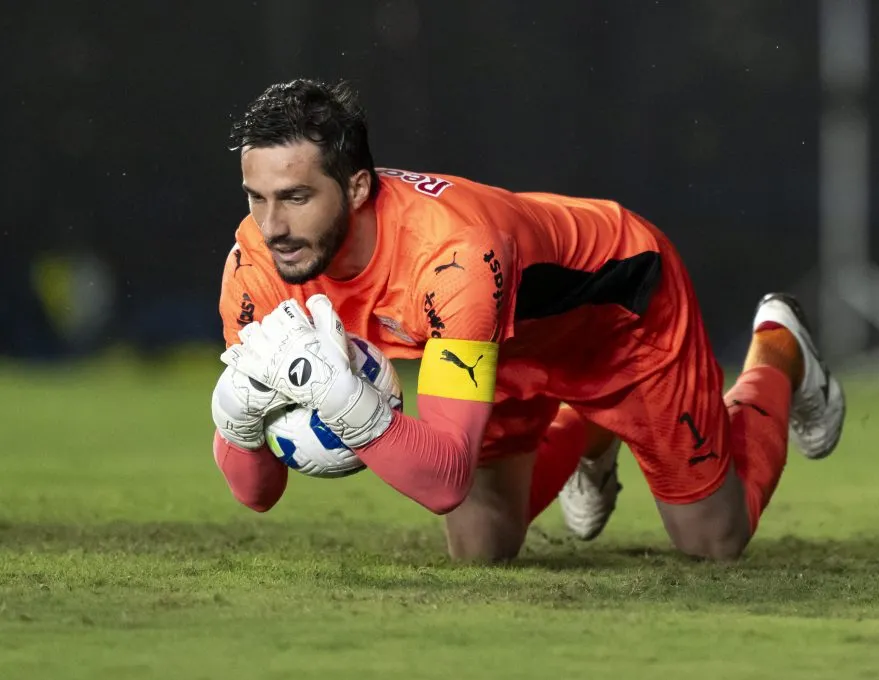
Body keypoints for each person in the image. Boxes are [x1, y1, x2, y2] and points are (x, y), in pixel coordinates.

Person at [210, 78, 846, 563]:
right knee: (482, 551)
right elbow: (255, 495)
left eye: (295, 197)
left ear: (355, 188)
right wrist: (236, 419)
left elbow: (442, 481)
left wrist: (346, 404)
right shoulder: (258, 263)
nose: (274, 227)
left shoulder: (452, 255)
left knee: (712, 540)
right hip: (497, 343)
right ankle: (592, 430)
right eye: (257, 197)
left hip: (614, 314)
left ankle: (779, 347)